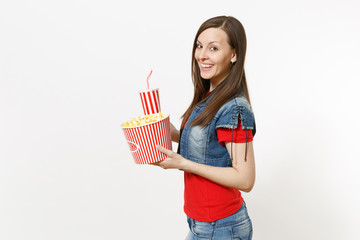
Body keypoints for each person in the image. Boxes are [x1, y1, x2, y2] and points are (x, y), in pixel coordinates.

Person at [154, 15, 256, 240]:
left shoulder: (235, 109)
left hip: (221, 227)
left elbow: (245, 179)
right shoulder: (209, 97)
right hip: (200, 224)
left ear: (234, 54)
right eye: (199, 46)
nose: (202, 55)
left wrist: (183, 163)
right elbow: (213, 148)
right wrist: (175, 135)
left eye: (213, 48)